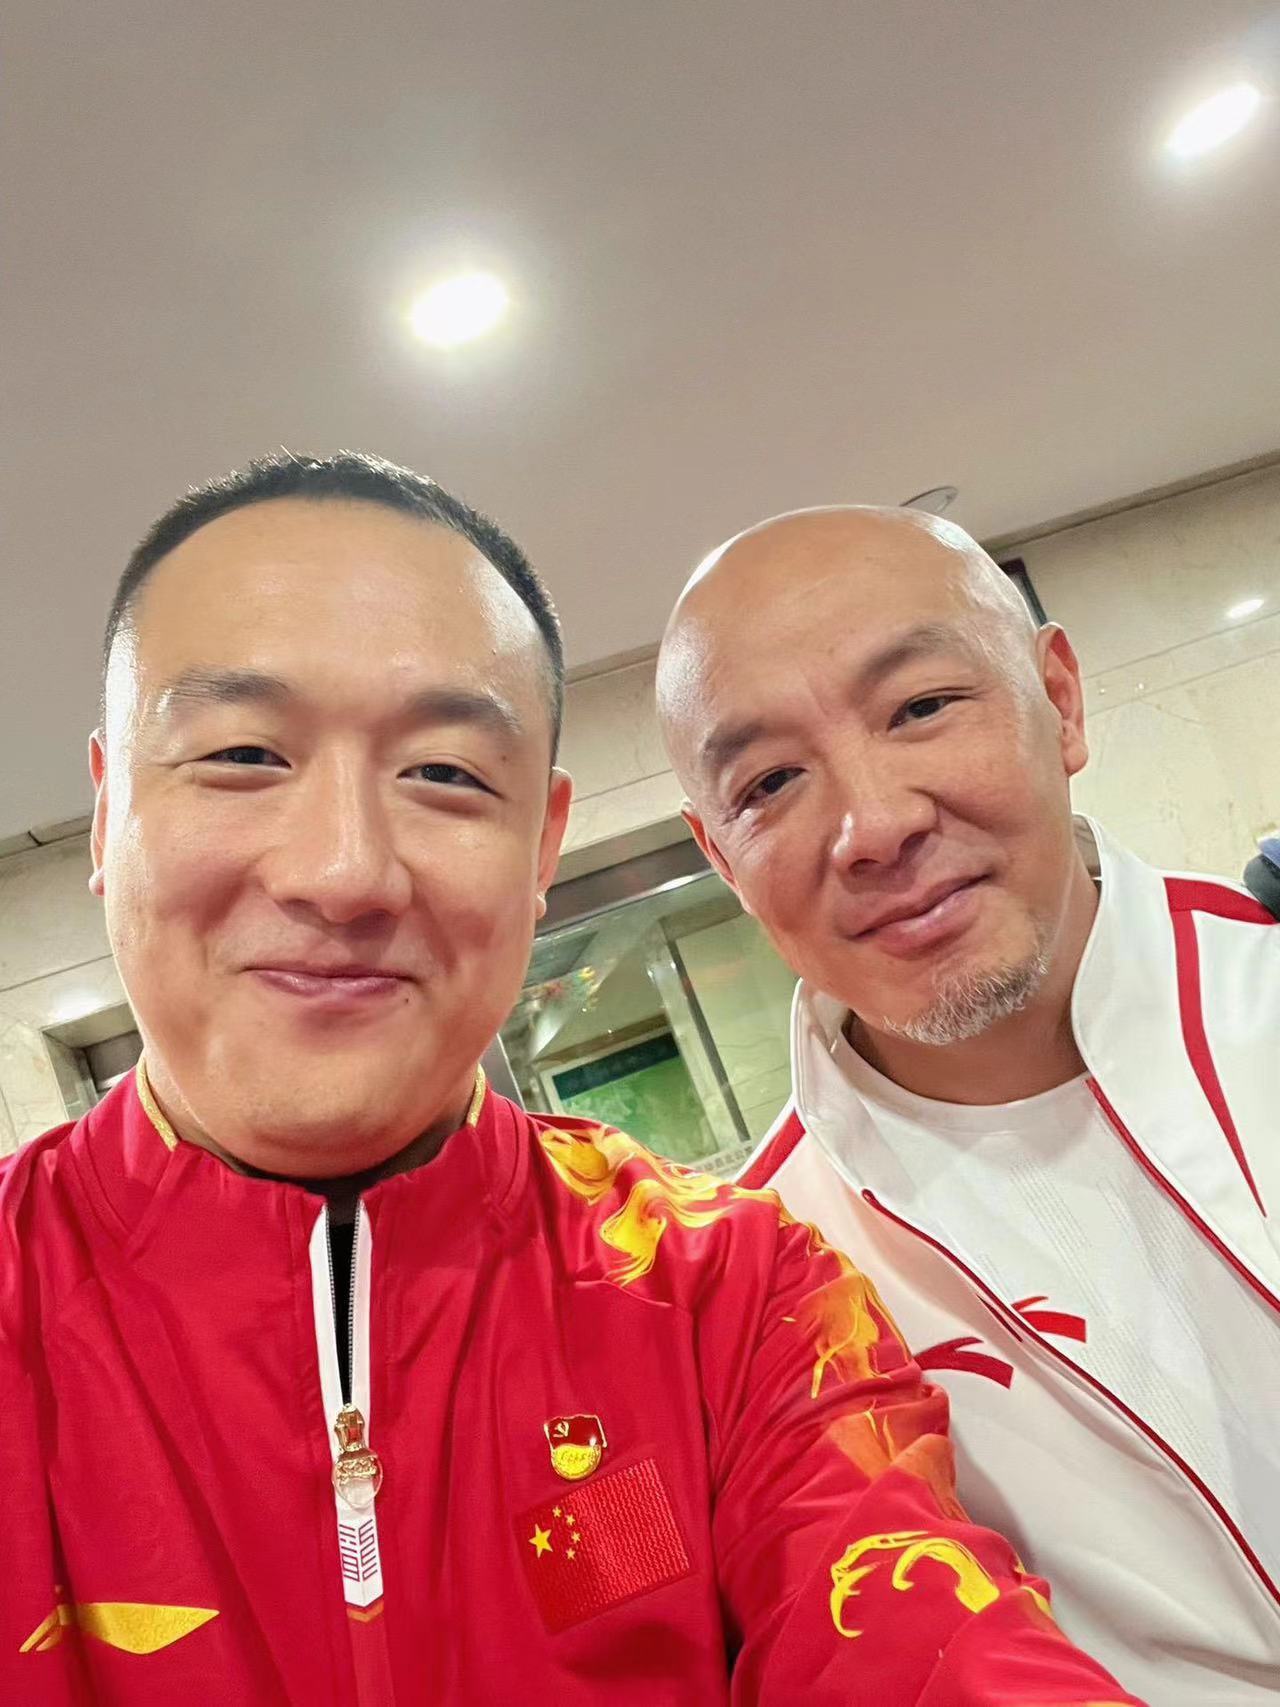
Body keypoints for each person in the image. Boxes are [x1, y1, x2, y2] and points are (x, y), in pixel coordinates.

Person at [0, 455, 1141, 1706]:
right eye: (241, 755)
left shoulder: (732, 1294)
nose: (343, 871)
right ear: (108, 815)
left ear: (541, 846)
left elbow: (922, 1643)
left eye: (443, 774)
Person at [655, 503, 1280, 1704]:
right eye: (769, 781)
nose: (874, 825)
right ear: (720, 858)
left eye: (920, 707)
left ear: (1060, 700)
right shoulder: (762, 1287)